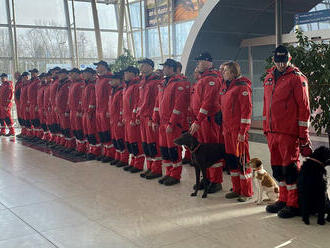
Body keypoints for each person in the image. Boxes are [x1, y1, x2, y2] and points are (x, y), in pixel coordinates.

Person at [263, 45, 312, 218]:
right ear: (273, 60)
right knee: (277, 169)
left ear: (289, 59)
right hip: (272, 132)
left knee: (290, 169)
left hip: (288, 133)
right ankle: (283, 199)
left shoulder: (297, 78)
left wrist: (303, 135)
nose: (281, 64)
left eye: (284, 61)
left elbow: (304, 109)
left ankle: (294, 204)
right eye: (278, 61)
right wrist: (265, 129)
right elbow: (265, 105)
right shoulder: (269, 78)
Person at [189, 52, 224, 194]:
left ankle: (216, 181)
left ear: (209, 62)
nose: (198, 63)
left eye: (201, 61)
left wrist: (198, 120)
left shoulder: (212, 79)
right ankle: (207, 178)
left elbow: (208, 102)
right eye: (198, 61)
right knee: (203, 151)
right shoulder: (202, 79)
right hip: (202, 121)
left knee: (212, 151)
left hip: (208, 120)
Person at [221, 61, 253, 202]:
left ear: (234, 72)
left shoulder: (242, 87)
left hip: (238, 132)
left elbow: (246, 112)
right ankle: (236, 188)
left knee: (242, 161)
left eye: (226, 71)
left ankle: (246, 192)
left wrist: (242, 131)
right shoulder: (227, 87)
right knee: (232, 160)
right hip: (228, 131)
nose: (223, 73)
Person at [153, 59, 188, 186]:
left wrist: (172, 123)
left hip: (172, 124)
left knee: (174, 149)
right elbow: (157, 103)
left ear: (172, 68)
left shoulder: (178, 83)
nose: (164, 69)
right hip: (162, 123)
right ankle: (168, 172)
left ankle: (175, 175)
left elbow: (178, 106)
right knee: (165, 149)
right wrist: (155, 119)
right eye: (163, 67)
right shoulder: (163, 83)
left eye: (166, 67)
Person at [136, 58, 163, 179]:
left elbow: (158, 102)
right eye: (141, 66)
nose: (141, 68)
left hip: (150, 117)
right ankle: (150, 167)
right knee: (146, 144)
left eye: (144, 65)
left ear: (151, 67)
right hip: (142, 117)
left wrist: (154, 118)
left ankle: (157, 169)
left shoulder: (156, 82)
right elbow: (140, 100)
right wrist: (137, 114)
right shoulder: (142, 82)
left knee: (153, 144)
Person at [121, 66, 144, 173]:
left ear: (134, 74)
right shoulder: (127, 86)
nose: (125, 74)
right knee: (129, 141)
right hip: (127, 117)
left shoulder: (135, 86)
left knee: (135, 141)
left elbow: (136, 102)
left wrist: (134, 117)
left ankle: (138, 164)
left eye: (127, 72)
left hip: (132, 118)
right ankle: (133, 161)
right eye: (125, 72)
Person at [94, 60, 115, 162]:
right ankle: (105, 152)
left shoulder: (109, 79)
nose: (97, 68)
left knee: (107, 132)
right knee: (102, 133)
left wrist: (108, 109)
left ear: (104, 67)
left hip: (105, 110)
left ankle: (110, 154)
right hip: (98, 110)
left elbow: (110, 96)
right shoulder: (99, 79)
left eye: (98, 66)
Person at [108, 71, 129, 167]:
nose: (111, 82)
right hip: (113, 118)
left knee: (120, 139)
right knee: (115, 139)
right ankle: (118, 157)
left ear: (119, 80)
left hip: (118, 119)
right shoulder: (114, 90)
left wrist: (120, 119)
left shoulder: (121, 91)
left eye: (113, 80)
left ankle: (123, 158)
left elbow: (122, 107)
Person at [68, 68, 85, 154]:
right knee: (75, 129)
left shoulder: (80, 84)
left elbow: (81, 98)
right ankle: (78, 147)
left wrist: (79, 109)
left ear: (77, 74)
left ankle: (82, 148)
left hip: (77, 111)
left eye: (72, 73)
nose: (70, 75)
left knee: (79, 129)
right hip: (72, 110)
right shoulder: (72, 84)